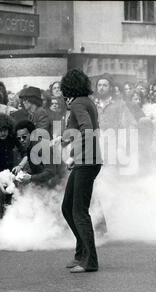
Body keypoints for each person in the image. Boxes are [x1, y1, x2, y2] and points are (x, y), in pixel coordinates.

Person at [60, 69, 103, 273]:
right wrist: (64, 141)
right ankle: (81, 254)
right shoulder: (86, 101)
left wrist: (73, 154)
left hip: (86, 161)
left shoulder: (77, 103)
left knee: (78, 211)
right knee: (68, 208)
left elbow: (86, 129)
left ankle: (90, 260)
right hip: (88, 160)